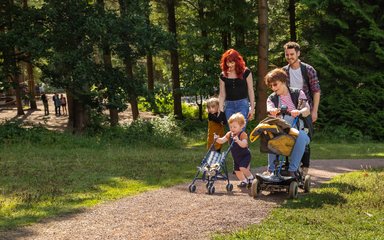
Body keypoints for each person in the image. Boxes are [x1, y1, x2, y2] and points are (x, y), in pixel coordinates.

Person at [264, 68, 311, 177]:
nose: (273, 88)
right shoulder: (272, 98)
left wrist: (299, 111)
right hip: (280, 131)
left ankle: (292, 170)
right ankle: (271, 170)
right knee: (270, 134)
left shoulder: (298, 93)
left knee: (302, 136)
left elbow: (307, 110)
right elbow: (269, 108)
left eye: (275, 84)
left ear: (283, 81)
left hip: (297, 130)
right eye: (271, 86)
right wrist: (272, 111)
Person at [283, 41, 320, 174]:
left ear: (298, 53)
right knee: (287, 137)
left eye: (292, 54)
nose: (289, 57)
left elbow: (316, 91)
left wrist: (314, 111)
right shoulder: (283, 71)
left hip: (305, 109)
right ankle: (288, 167)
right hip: (289, 111)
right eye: (287, 54)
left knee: (304, 137)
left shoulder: (308, 70)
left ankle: (304, 169)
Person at [214, 112, 254, 188]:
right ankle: (244, 181)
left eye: (234, 127)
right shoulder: (229, 134)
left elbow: (244, 144)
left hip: (245, 155)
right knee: (237, 171)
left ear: (241, 126)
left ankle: (251, 179)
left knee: (242, 168)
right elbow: (222, 140)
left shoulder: (242, 134)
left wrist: (238, 141)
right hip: (236, 157)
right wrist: (217, 139)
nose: (232, 129)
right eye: (231, 126)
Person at [218, 49, 255, 129]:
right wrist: (220, 110)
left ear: (237, 61)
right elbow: (222, 94)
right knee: (232, 131)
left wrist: (252, 108)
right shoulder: (223, 75)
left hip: (243, 105)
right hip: (229, 106)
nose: (229, 65)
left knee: (240, 130)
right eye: (227, 62)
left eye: (232, 62)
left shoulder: (246, 72)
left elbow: (250, 90)